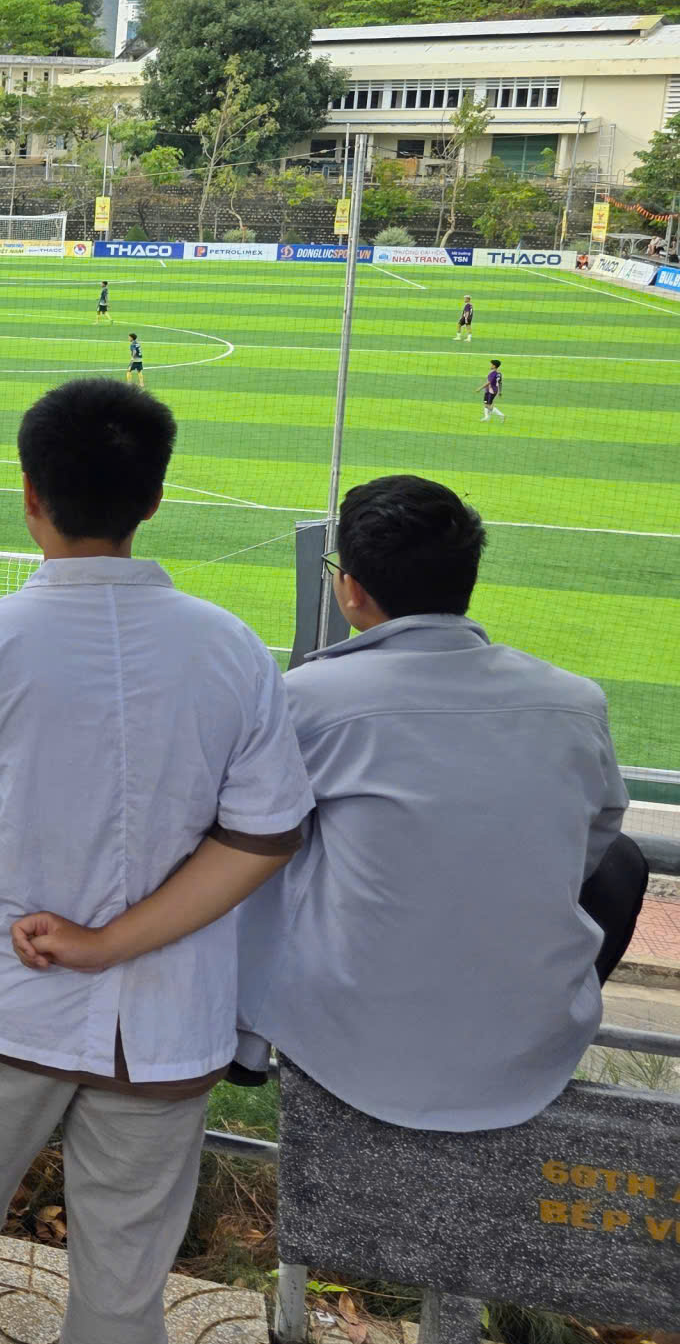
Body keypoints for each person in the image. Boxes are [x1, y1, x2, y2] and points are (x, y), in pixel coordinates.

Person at [0, 379, 312, 1344]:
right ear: (153, 499)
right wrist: (113, 945)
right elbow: (263, 838)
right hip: (165, 1026)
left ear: (28, 496)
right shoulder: (232, 649)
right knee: (123, 1279)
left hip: (3, 1001)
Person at [234, 476, 641, 1132]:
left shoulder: (307, 699)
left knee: (263, 850)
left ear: (351, 590)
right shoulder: (576, 700)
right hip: (531, 1050)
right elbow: (598, 841)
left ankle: (241, 1043)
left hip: (355, 1047)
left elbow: (242, 838)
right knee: (622, 862)